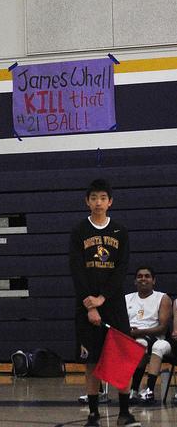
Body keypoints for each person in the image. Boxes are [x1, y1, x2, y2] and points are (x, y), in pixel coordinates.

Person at [69, 178, 141, 427]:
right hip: (86, 303)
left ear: (110, 201)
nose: (98, 202)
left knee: (120, 357)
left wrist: (103, 298)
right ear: (87, 201)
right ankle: (93, 414)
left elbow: (121, 269)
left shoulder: (120, 231)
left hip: (113, 303)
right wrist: (91, 305)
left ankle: (124, 413)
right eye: (93, 198)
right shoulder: (79, 231)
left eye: (102, 198)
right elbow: (77, 270)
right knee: (91, 361)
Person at [126, 266, 172, 404]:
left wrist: (140, 332)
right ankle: (134, 390)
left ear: (154, 280)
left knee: (152, 345)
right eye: (140, 276)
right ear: (135, 281)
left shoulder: (162, 298)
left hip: (156, 338)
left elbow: (163, 328)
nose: (143, 279)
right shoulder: (127, 298)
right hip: (130, 338)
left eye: (147, 276)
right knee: (139, 343)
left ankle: (149, 390)